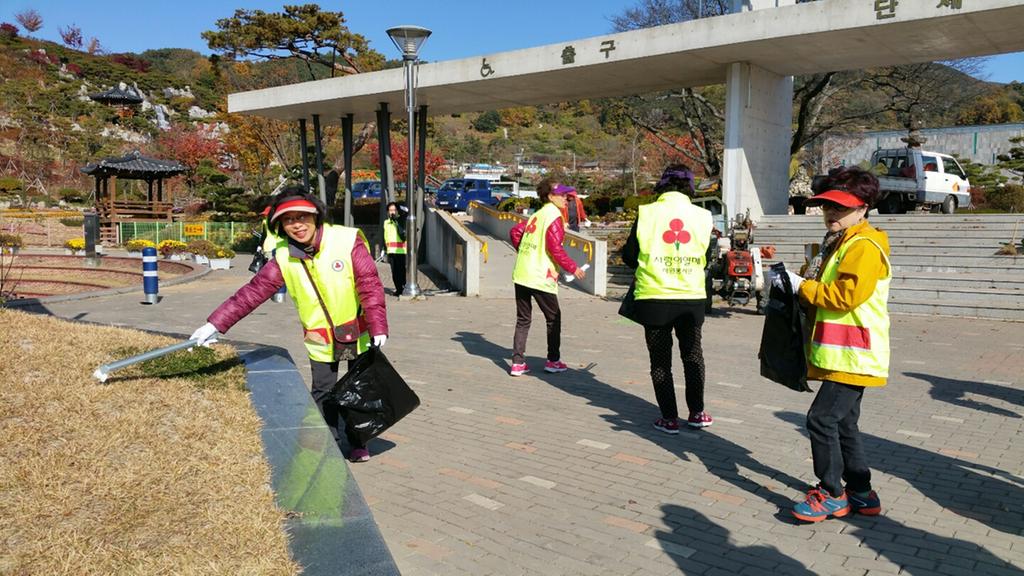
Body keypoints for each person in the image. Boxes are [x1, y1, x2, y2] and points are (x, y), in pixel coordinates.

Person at [190, 188, 388, 463]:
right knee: (323, 391)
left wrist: (378, 326)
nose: (297, 225)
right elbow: (252, 293)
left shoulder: (346, 240)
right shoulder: (283, 256)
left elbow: (369, 284)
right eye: (289, 220)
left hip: (358, 329)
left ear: (316, 216)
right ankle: (325, 442)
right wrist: (215, 324)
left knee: (358, 388)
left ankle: (358, 441)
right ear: (280, 226)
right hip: (320, 336)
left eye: (303, 217)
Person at [777, 166, 890, 522]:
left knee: (821, 419)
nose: (831, 213)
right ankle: (860, 491)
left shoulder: (863, 245)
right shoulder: (838, 243)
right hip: (845, 352)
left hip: (855, 354)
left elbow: (845, 296)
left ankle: (830, 493)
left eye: (840, 207)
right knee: (843, 423)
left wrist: (802, 287)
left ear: (863, 208)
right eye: (827, 206)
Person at [621, 164, 714, 434]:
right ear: (689, 186)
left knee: (660, 361)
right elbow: (706, 257)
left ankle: (669, 418)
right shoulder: (703, 216)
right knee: (693, 355)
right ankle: (697, 412)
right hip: (691, 295)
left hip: (654, 296)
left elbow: (629, 255)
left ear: (662, 185)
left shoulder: (647, 214)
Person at [508, 180, 586, 376]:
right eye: (562, 195)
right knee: (553, 318)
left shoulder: (538, 214)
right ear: (550, 197)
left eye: (568, 196)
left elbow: (515, 231)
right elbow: (555, 247)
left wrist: (525, 253)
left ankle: (517, 363)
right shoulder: (553, 216)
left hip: (522, 273)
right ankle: (553, 360)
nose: (566, 199)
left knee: (523, 319)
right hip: (540, 275)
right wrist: (573, 268)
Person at [383, 202, 407, 296]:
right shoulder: (386, 222)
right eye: (390, 210)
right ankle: (398, 289)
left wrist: (396, 221)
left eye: (394, 210)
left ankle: (404, 287)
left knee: (401, 270)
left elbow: (403, 235)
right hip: (391, 251)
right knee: (394, 272)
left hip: (401, 250)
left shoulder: (401, 221)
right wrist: (385, 248)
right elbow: (386, 236)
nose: (392, 212)